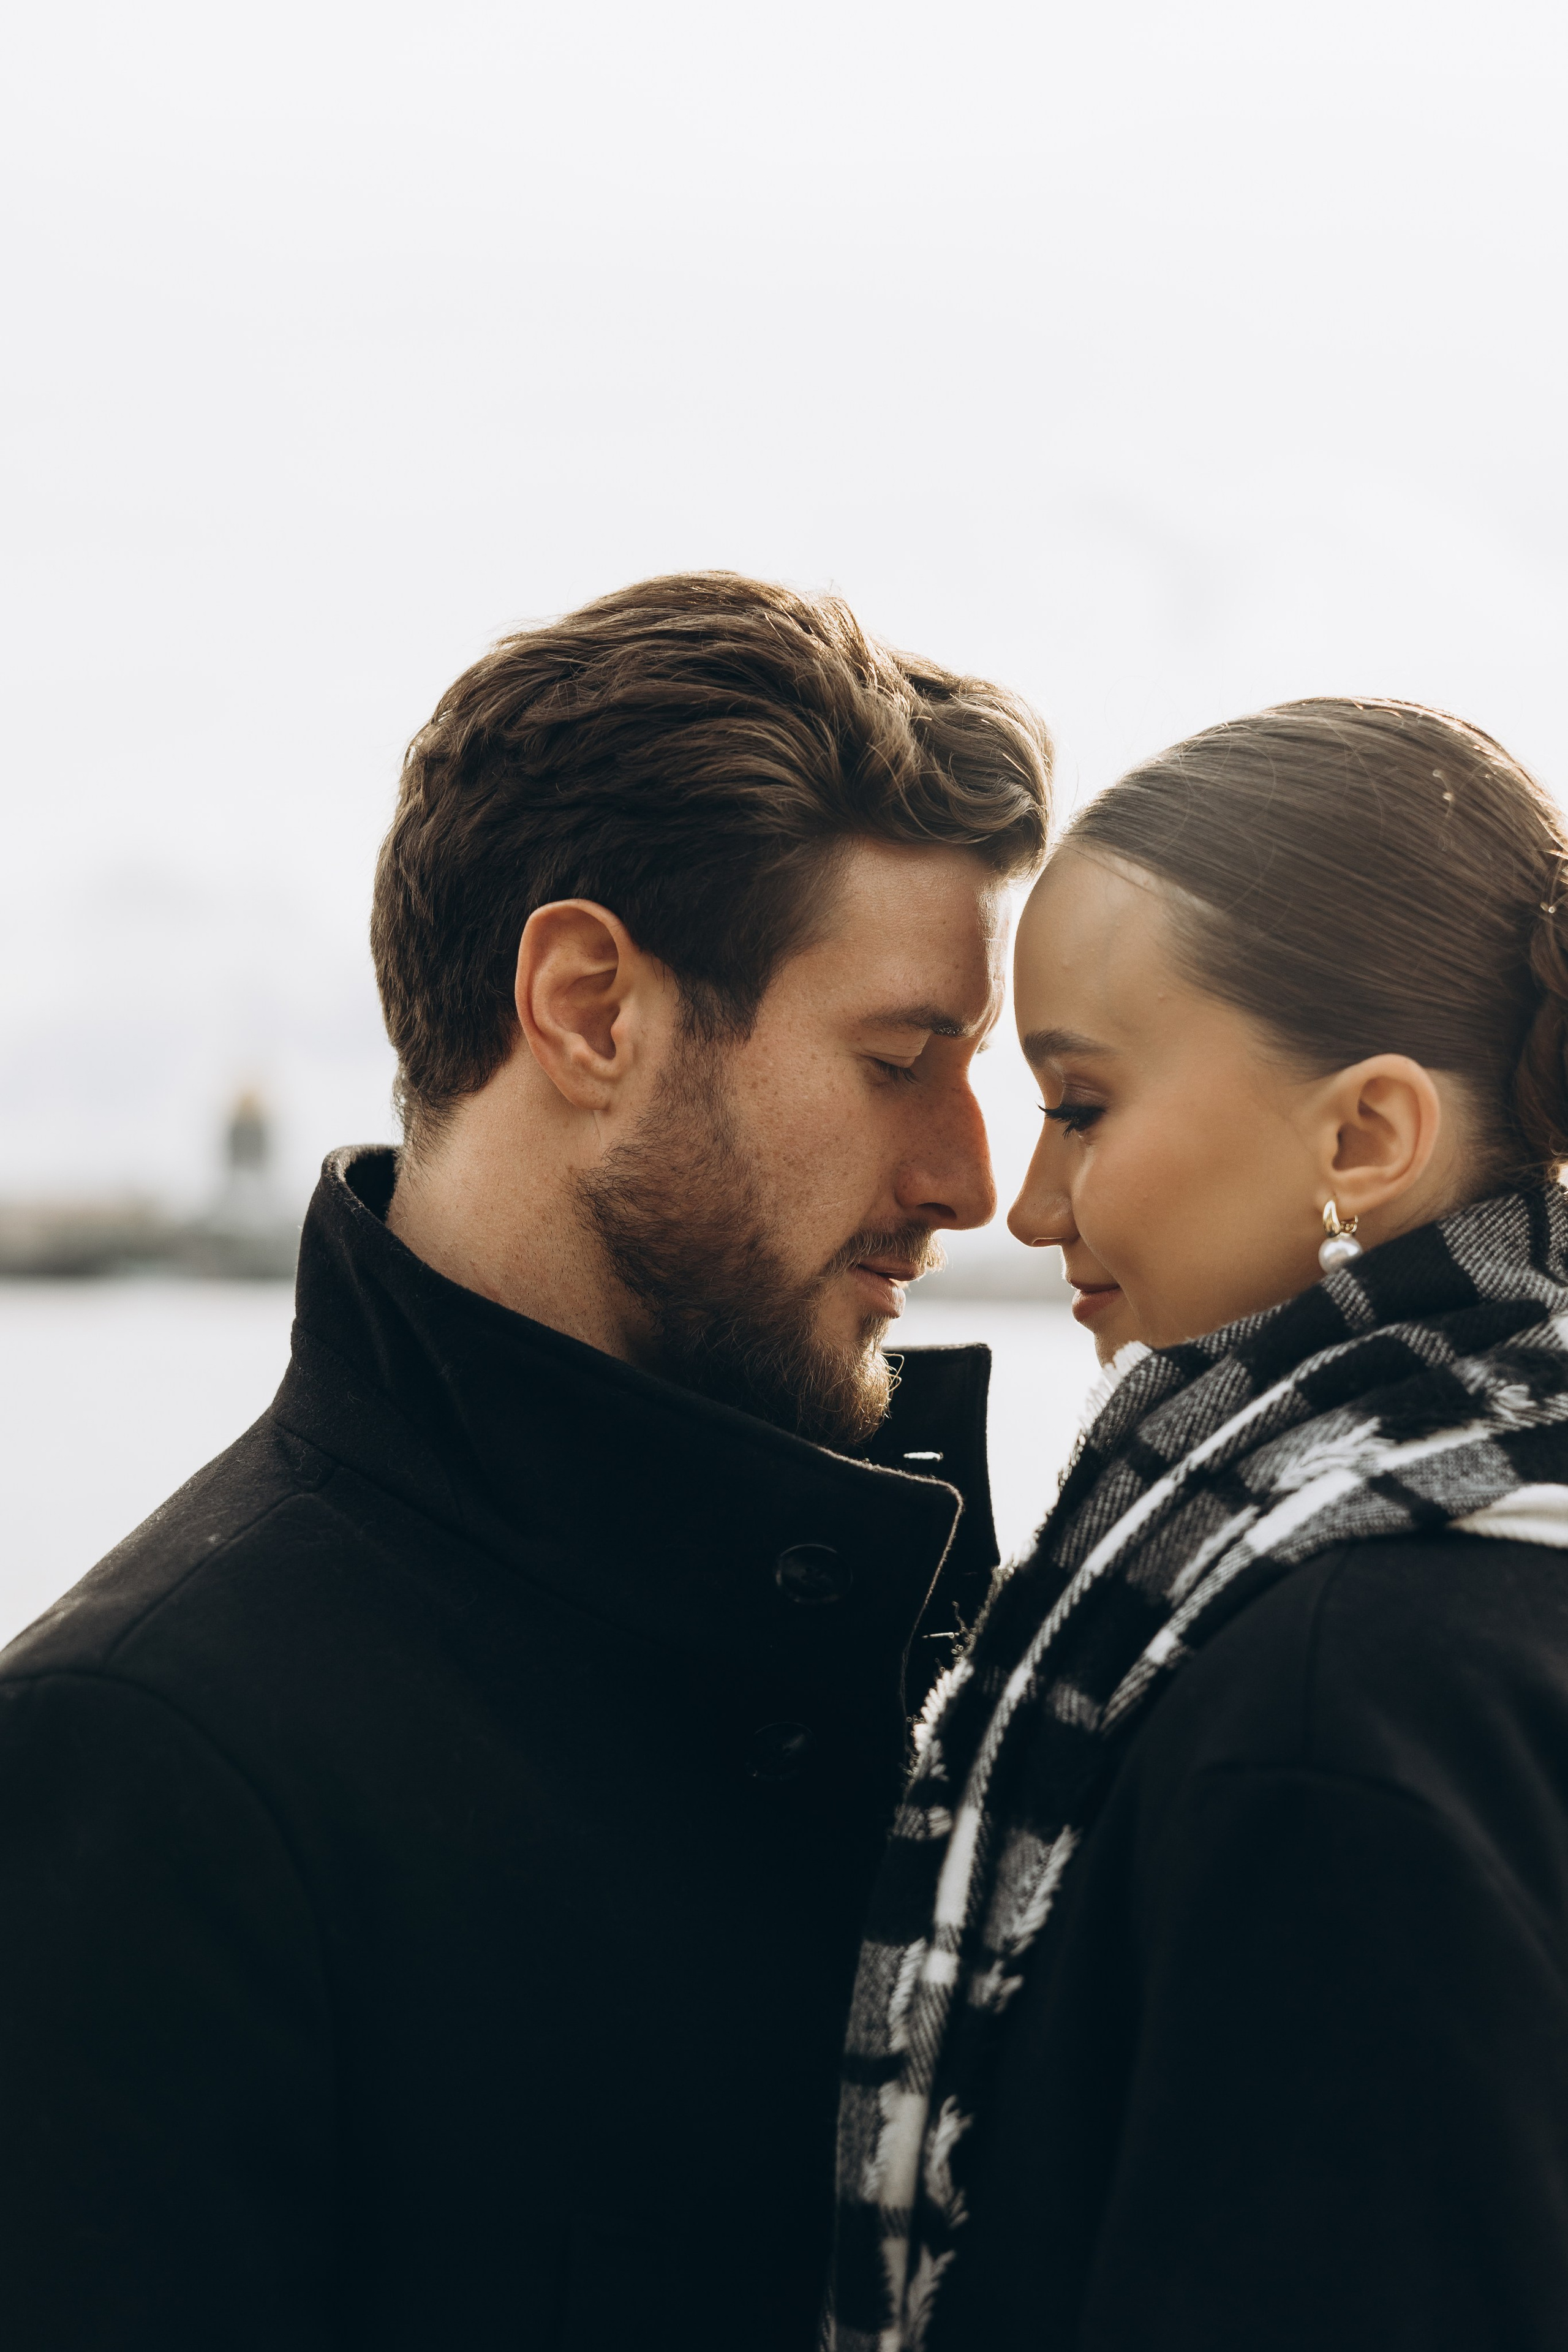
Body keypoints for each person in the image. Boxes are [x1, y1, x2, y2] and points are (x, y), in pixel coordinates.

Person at [0, 575, 1050, 2351]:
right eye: (900, 1061)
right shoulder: (148, 1772)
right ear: (587, 1009)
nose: (972, 1180)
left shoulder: (957, 1657)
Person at [828, 697, 1568, 2351]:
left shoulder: (1336, 1697)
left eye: (1080, 1104)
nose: (1028, 1205)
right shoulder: (1507, 1535)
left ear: (1363, 1138)